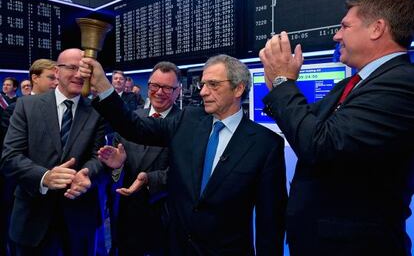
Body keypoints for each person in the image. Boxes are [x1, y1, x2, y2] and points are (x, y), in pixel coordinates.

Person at [259, 0, 414, 255]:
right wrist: (278, 86)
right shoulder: (353, 84)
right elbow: (309, 125)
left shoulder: (402, 83)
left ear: (377, 28)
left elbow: (319, 144)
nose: (336, 35)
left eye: (344, 26)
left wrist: (284, 83)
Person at [81, 54, 287, 255]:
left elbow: (270, 223)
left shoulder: (265, 144)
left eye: (213, 85)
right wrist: (103, 87)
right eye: (203, 84)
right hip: (176, 246)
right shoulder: (187, 120)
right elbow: (134, 127)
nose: (204, 92)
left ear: (238, 89)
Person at [0, 48, 107, 255]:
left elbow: (97, 157)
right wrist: (45, 177)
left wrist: (87, 173)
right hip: (32, 217)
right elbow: (10, 157)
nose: (78, 74)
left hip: (79, 217)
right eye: (72, 68)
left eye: (83, 69)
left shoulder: (96, 111)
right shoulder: (26, 106)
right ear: (57, 72)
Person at [106, 61, 181, 256]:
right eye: (155, 86)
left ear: (178, 91)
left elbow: (185, 171)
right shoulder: (131, 120)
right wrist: (117, 167)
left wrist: (149, 179)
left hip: (164, 215)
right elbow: (115, 169)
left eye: (167, 87)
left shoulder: (186, 124)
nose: (159, 92)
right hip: (127, 215)